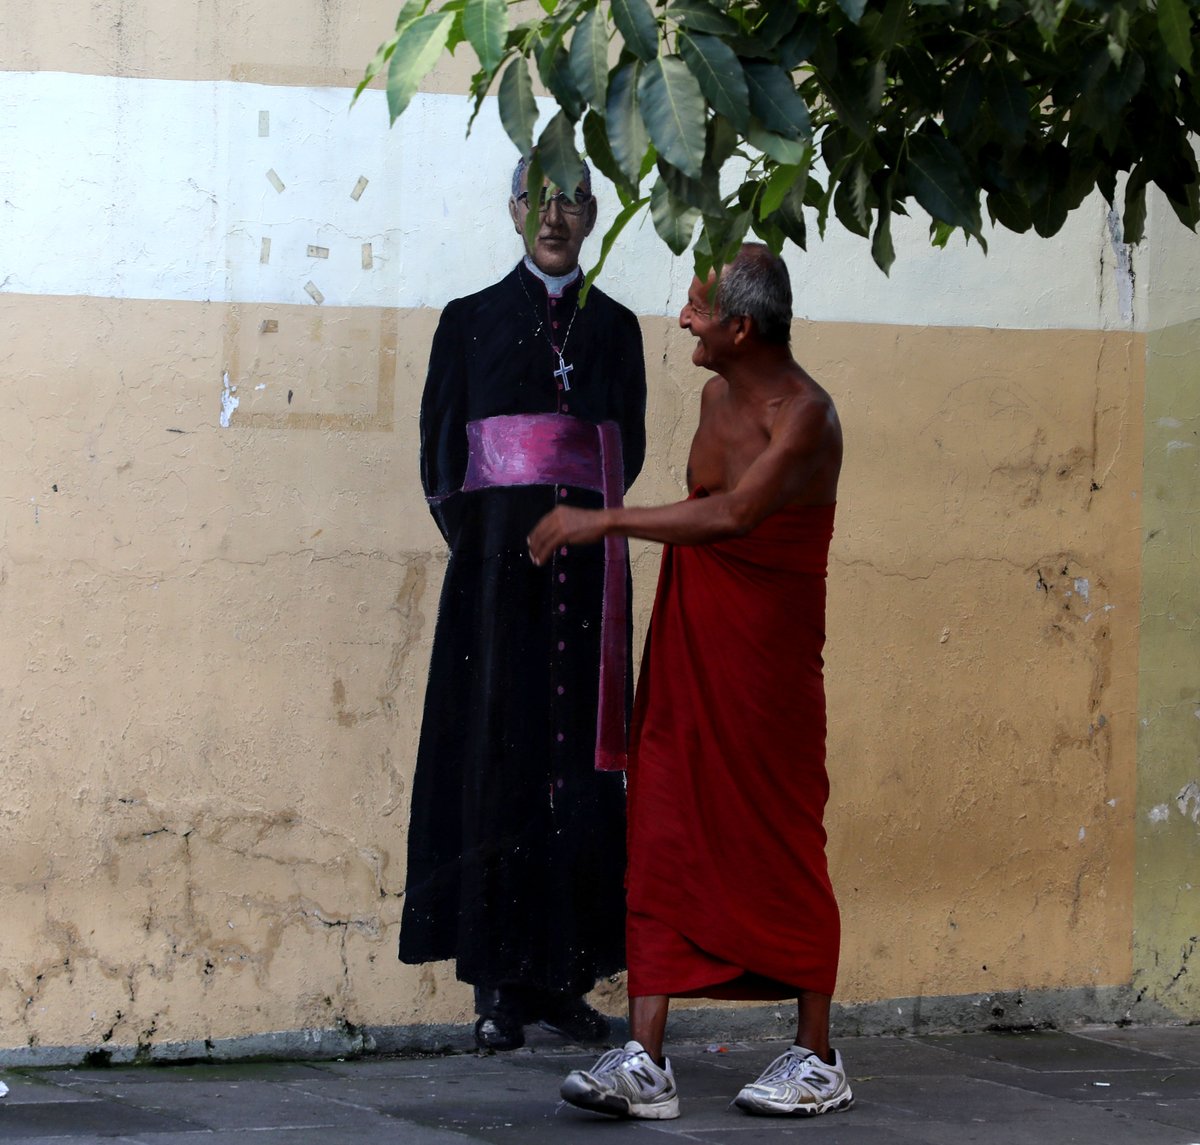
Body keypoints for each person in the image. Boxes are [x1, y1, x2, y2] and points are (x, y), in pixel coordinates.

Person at [528, 244, 851, 1119]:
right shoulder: (716, 396)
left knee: (782, 833)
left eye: (699, 311)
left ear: (741, 329)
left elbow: (736, 512)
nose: (682, 321)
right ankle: (645, 1060)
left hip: (769, 665)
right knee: (665, 817)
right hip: (690, 644)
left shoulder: (807, 417)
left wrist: (606, 519)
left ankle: (817, 1058)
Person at [397, 155, 647, 1052]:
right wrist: (489, 548)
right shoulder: (466, 323)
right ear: (514, 212)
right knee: (496, 762)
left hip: (587, 589)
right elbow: (439, 459)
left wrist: (583, 526)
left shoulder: (614, 330)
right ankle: (500, 988)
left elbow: (631, 448)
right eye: (539, 200)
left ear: (589, 215)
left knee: (579, 772)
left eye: (571, 202)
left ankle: (565, 981)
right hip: (496, 591)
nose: (553, 217)